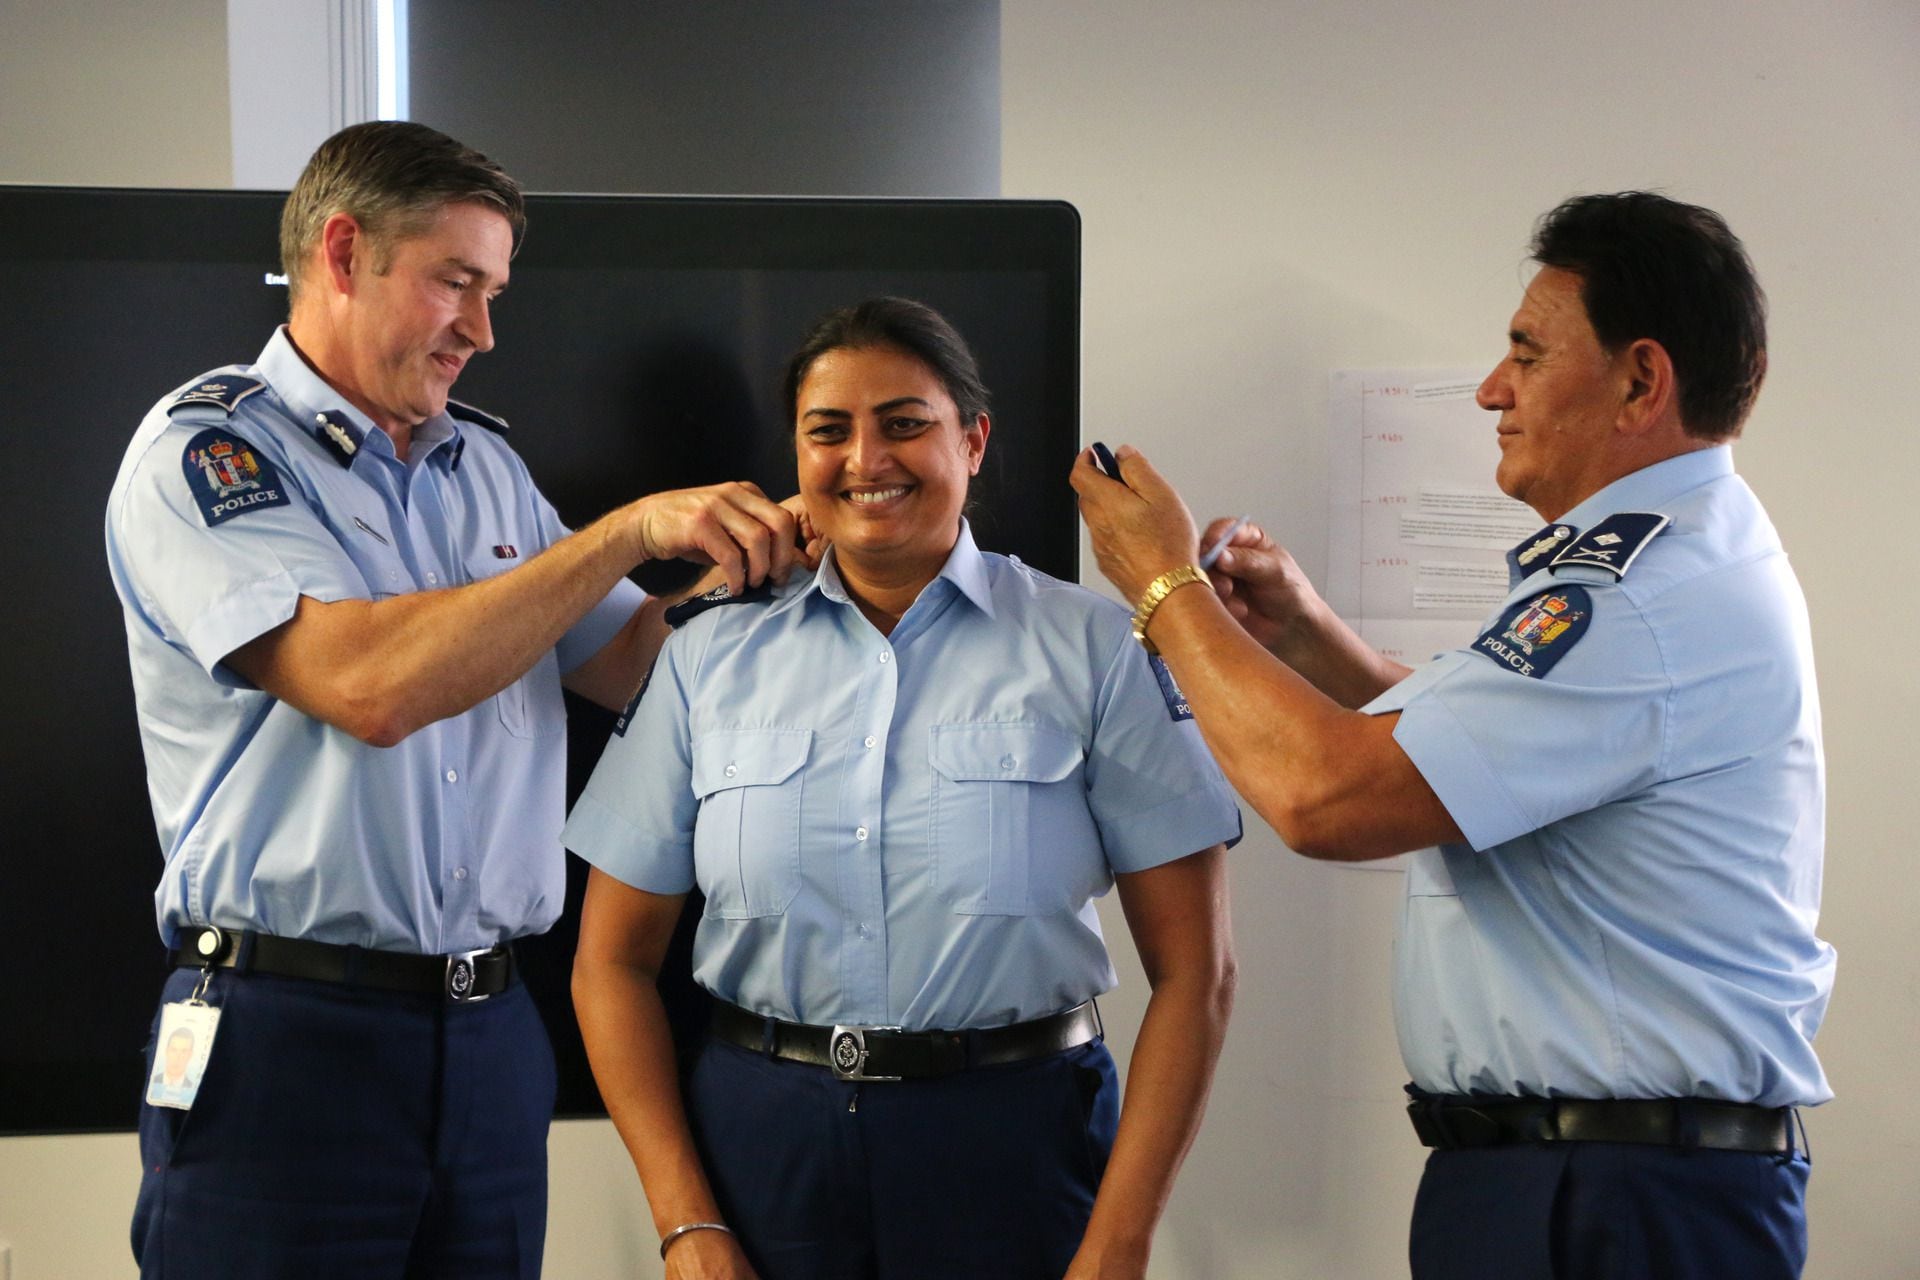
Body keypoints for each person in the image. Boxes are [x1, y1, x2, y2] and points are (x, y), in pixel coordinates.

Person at [1071, 192, 1834, 1280]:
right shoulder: (1673, 561)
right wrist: (1309, 636)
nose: (1492, 388)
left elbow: (1327, 799)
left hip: (1611, 1200)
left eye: (1526, 351)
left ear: (1640, 381)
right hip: (1581, 1181)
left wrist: (1161, 582)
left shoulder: (1639, 594)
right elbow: (1482, 753)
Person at [105, 120, 799, 1279]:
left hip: (489, 1033)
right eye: (456, 283)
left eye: (494, 291)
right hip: (286, 1036)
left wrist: (779, 569)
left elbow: (631, 658)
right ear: (341, 252)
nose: (482, 329)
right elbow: (369, 684)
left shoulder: (484, 469)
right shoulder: (209, 453)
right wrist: (630, 526)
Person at [564, 297, 1243, 1280]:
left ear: (973, 438)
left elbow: (1200, 973)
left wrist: (1119, 1241)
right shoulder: (707, 654)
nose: (865, 457)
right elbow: (610, 964)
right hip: (759, 1144)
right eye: (828, 430)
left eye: (906, 422)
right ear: (795, 457)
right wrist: (685, 1223)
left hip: (1014, 1142)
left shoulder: (1094, 648)